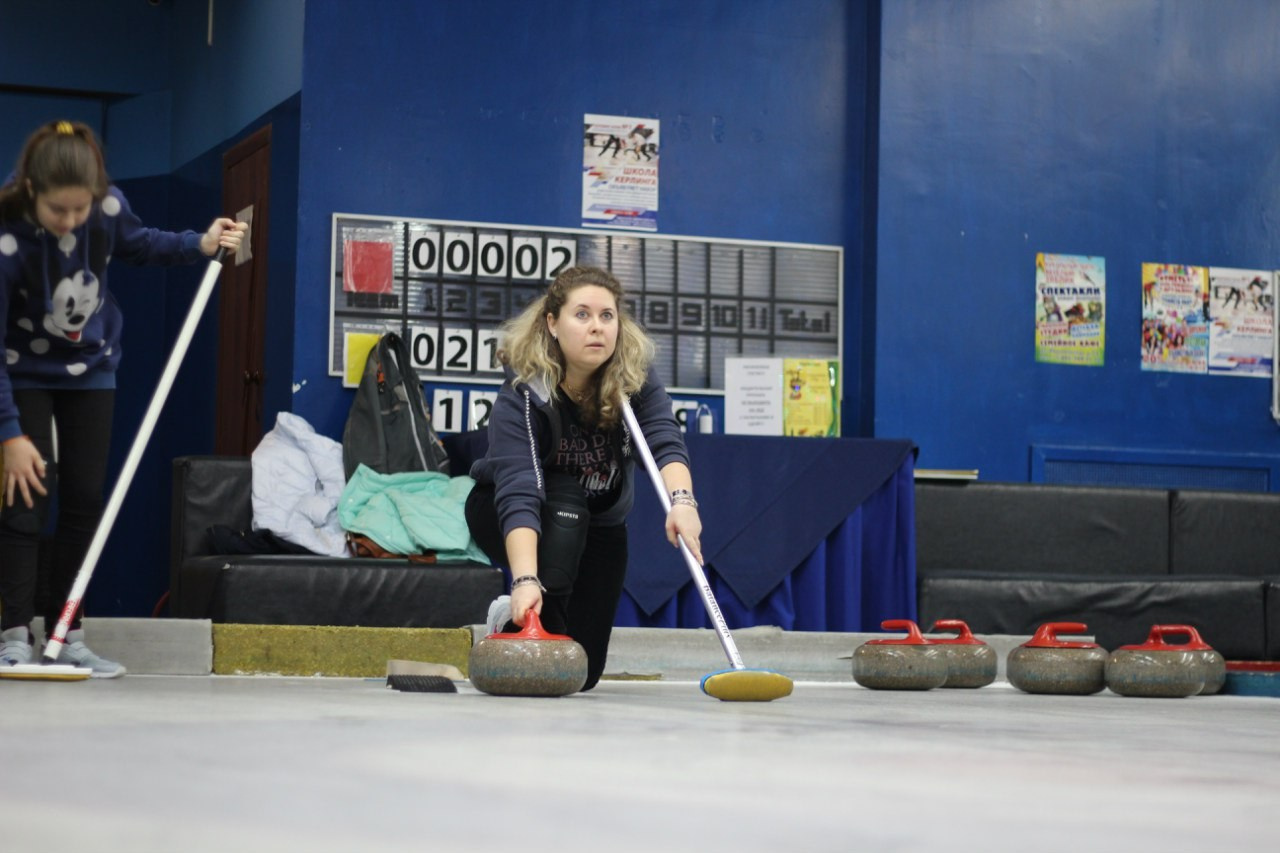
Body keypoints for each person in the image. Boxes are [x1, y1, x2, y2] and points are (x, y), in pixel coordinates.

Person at [0, 120, 246, 676]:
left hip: (90, 368)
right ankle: (13, 633)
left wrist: (198, 243)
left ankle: (67, 631)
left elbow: (141, 244)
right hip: (22, 373)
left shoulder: (108, 208)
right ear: (33, 192)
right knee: (25, 499)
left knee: (87, 498)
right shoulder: (7, 235)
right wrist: (9, 433)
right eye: (57, 211)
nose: (69, 222)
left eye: (78, 210)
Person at [466, 265, 702, 691]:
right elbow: (519, 489)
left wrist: (683, 502)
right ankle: (522, 603)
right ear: (552, 324)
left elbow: (664, 441)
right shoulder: (525, 392)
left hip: (597, 524)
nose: (597, 328)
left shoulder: (634, 379)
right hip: (517, 513)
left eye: (607, 316)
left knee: (581, 671)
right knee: (565, 502)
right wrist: (524, 579)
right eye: (582, 315)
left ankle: (508, 617)